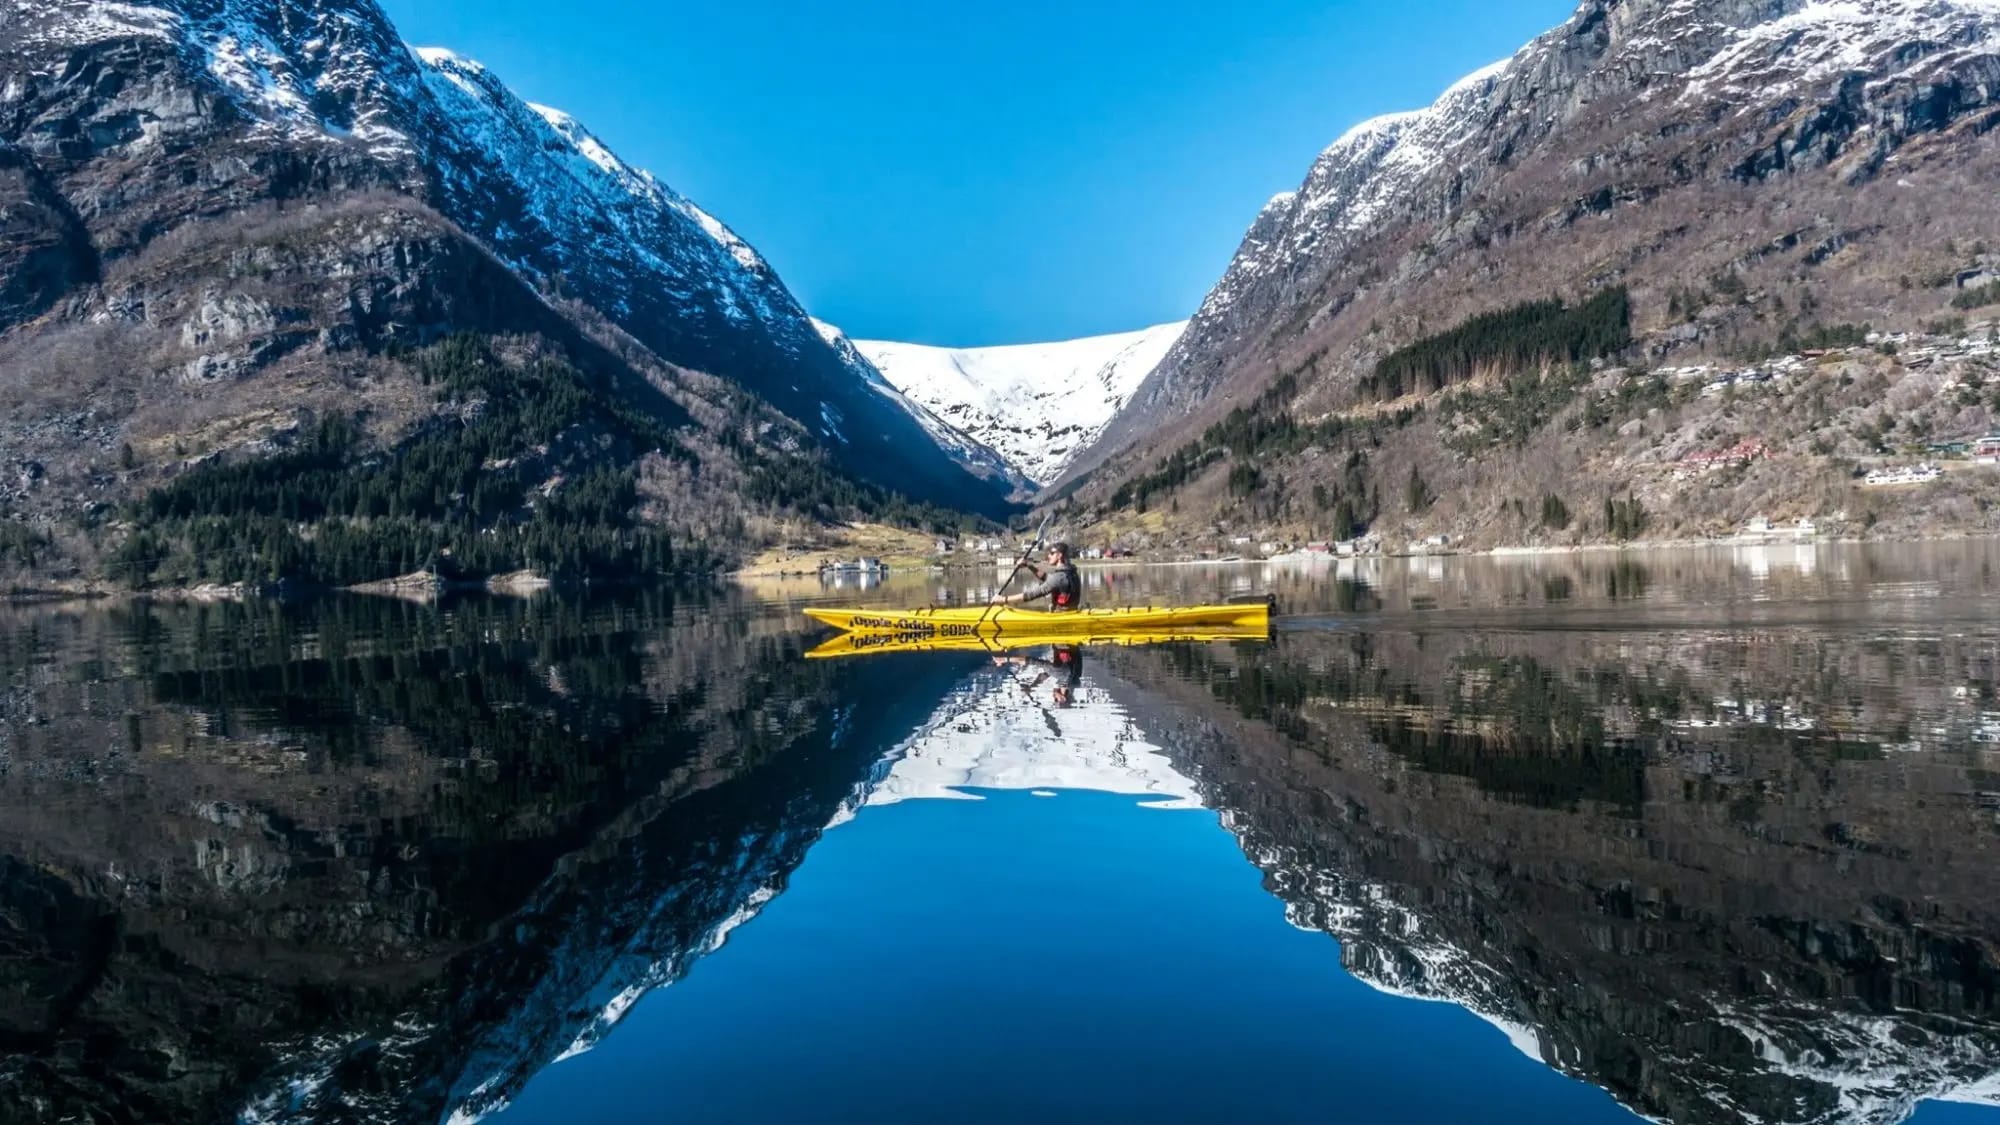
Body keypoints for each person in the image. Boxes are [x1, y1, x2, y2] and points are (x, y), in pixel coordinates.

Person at [990, 541, 1081, 611]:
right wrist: (1029, 565)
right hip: (1071, 611)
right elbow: (1047, 578)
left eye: (1052, 553)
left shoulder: (1059, 577)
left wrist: (1003, 599)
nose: (1048, 556)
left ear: (1059, 555)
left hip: (1061, 616)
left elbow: (1031, 595)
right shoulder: (1071, 572)